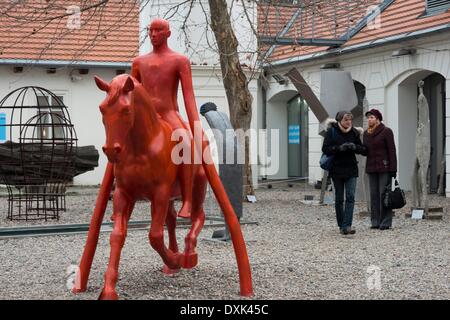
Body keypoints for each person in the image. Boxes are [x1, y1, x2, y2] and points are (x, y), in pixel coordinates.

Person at [131, 18, 197, 218]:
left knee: (184, 143)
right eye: (151, 31)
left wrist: (195, 126)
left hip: (169, 114)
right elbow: (130, 92)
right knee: (120, 142)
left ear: (168, 33)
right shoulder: (139, 62)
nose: (153, 34)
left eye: (158, 31)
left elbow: (189, 97)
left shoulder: (179, 61)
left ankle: (187, 199)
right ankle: (121, 191)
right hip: (145, 116)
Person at [322, 111, 367, 235]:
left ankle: (347, 225)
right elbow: (325, 149)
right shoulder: (332, 131)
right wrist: (339, 148)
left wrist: (354, 147)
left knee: (351, 197)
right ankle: (341, 224)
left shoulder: (354, 132)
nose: (349, 122)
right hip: (336, 170)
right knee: (339, 199)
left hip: (351, 169)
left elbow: (363, 150)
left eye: (350, 120)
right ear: (339, 121)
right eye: (346, 120)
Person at [363, 109, 397, 230]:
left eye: (372, 117)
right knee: (374, 195)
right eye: (368, 118)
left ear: (378, 119)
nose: (369, 119)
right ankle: (375, 221)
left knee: (384, 194)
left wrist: (393, 169)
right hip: (371, 168)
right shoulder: (366, 134)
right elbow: (365, 151)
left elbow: (392, 151)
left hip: (384, 167)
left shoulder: (386, 131)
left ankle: (386, 221)